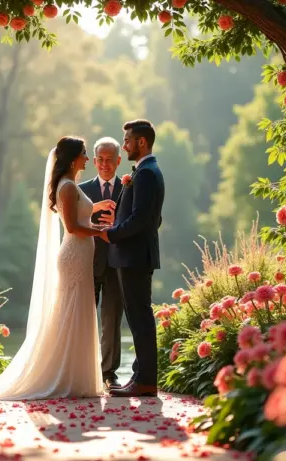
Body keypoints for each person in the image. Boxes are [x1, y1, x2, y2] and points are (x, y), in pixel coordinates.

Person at [0, 136, 116, 400]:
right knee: (71, 311)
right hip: (73, 256)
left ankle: (75, 375)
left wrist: (96, 209)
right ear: (72, 159)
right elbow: (72, 227)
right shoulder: (67, 187)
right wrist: (101, 231)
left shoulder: (72, 185)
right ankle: (62, 375)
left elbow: (80, 214)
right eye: (84, 154)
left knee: (78, 312)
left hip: (80, 256)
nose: (88, 159)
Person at [98, 119, 165, 398]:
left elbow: (141, 219)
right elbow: (152, 218)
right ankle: (139, 376)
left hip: (134, 256)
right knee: (138, 319)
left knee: (140, 319)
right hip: (133, 255)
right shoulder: (145, 171)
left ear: (142, 142)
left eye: (127, 140)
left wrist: (111, 234)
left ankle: (146, 381)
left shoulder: (147, 173)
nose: (124, 145)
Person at [78, 137, 125, 391]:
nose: (105, 164)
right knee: (83, 317)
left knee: (111, 319)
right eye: (101, 160)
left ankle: (109, 373)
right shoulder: (81, 189)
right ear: (94, 161)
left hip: (117, 263)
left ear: (119, 161)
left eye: (110, 160)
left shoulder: (128, 188)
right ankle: (81, 370)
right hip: (87, 261)